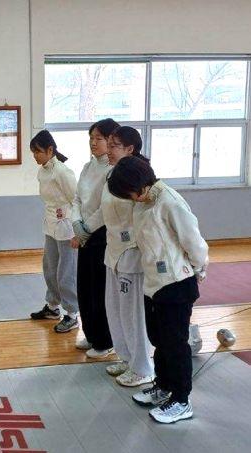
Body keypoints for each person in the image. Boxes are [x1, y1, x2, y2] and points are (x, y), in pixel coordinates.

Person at [107, 156, 208, 424]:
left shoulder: (170, 201)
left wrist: (199, 267)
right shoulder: (142, 203)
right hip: (153, 283)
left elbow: (194, 241)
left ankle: (182, 400)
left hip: (177, 283)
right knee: (158, 339)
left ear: (139, 183)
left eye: (129, 192)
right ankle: (163, 386)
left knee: (175, 344)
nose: (130, 198)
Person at [101, 127, 153, 387]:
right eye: (108, 144)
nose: (107, 150)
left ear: (130, 149)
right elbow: (103, 211)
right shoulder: (112, 174)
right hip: (112, 252)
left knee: (133, 314)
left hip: (132, 253)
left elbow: (147, 221)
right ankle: (127, 358)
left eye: (114, 146)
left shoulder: (140, 178)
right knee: (115, 309)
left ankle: (143, 367)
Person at [71, 118, 119, 358]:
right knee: (85, 286)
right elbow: (77, 199)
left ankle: (105, 340)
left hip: (101, 234)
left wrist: (86, 228)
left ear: (111, 140)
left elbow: (105, 207)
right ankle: (90, 334)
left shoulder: (113, 170)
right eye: (91, 138)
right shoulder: (87, 167)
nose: (93, 142)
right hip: (84, 232)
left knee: (100, 289)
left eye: (99, 138)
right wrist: (76, 223)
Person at [28, 130, 79, 333]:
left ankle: (72, 314)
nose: (35, 156)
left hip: (67, 227)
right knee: (49, 267)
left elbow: (76, 201)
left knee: (66, 272)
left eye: (37, 152)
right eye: (33, 152)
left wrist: (78, 230)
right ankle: (52, 306)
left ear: (50, 150)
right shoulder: (42, 171)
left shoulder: (62, 172)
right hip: (50, 225)